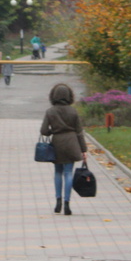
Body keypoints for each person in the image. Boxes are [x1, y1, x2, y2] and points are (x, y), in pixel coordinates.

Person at [39, 83, 87, 215]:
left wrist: (52, 132)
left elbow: (43, 131)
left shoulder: (50, 111)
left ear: (53, 96)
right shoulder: (73, 111)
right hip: (72, 143)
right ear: (69, 96)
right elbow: (79, 132)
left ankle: (58, 200)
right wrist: (83, 150)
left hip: (57, 143)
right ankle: (67, 202)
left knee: (57, 172)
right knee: (68, 173)